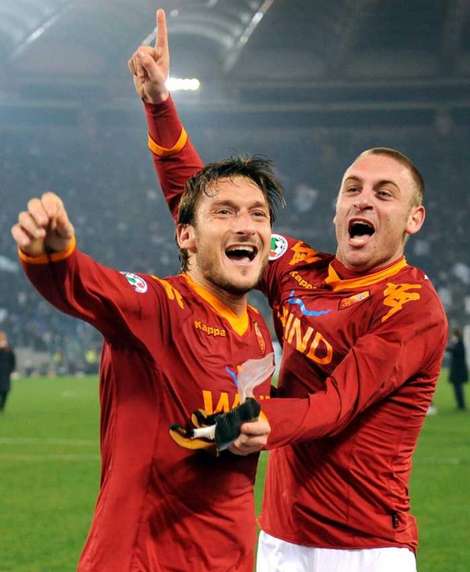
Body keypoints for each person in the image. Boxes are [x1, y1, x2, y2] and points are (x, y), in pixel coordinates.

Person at [128, 10, 448, 572]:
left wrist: (251, 421)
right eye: (353, 188)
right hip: (278, 539)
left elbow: (335, 407)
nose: (363, 200)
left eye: (384, 194)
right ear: (336, 208)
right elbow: (203, 210)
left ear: (413, 219)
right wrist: (159, 104)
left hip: (365, 549)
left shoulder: (411, 307)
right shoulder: (298, 269)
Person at [11, 154, 285, 571]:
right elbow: (85, 284)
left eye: (257, 214)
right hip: (141, 560)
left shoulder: (258, 329)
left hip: (230, 560)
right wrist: (54, 254)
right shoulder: (157, 307)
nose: (245, 225)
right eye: (224, 212)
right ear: (186, 235)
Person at [447, 327, 468, 410]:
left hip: (458, 371)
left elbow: (455, 351)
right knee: (457, 388)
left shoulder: (460, 343)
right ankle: (460, 404)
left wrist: (449, 346)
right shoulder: (458, 343)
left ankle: (461, 405)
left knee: (458, 388)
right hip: (457, 370)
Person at [0, 330, 16, 412]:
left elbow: (13, 359)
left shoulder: (9, 349)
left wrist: (11, 369)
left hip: (5, 372)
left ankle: (2, 406)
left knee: (5, 390)